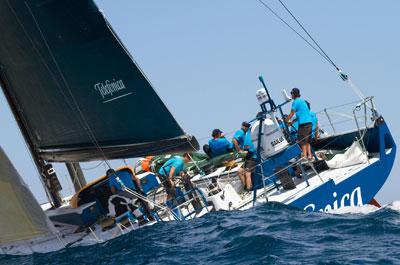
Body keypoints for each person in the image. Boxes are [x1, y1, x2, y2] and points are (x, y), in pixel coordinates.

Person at [285, 88, 313, 160]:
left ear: (293, 94)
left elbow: (292, 113)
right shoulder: (303, 101)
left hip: (303, 124)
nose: (291, 95)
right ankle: (309, 156)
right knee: (307, 141)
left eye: (291, 93)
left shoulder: (295, 102)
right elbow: (302, 114)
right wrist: (292, 121)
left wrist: (285, 121)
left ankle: (304, 156)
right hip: (309, 123)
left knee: (302, 141)